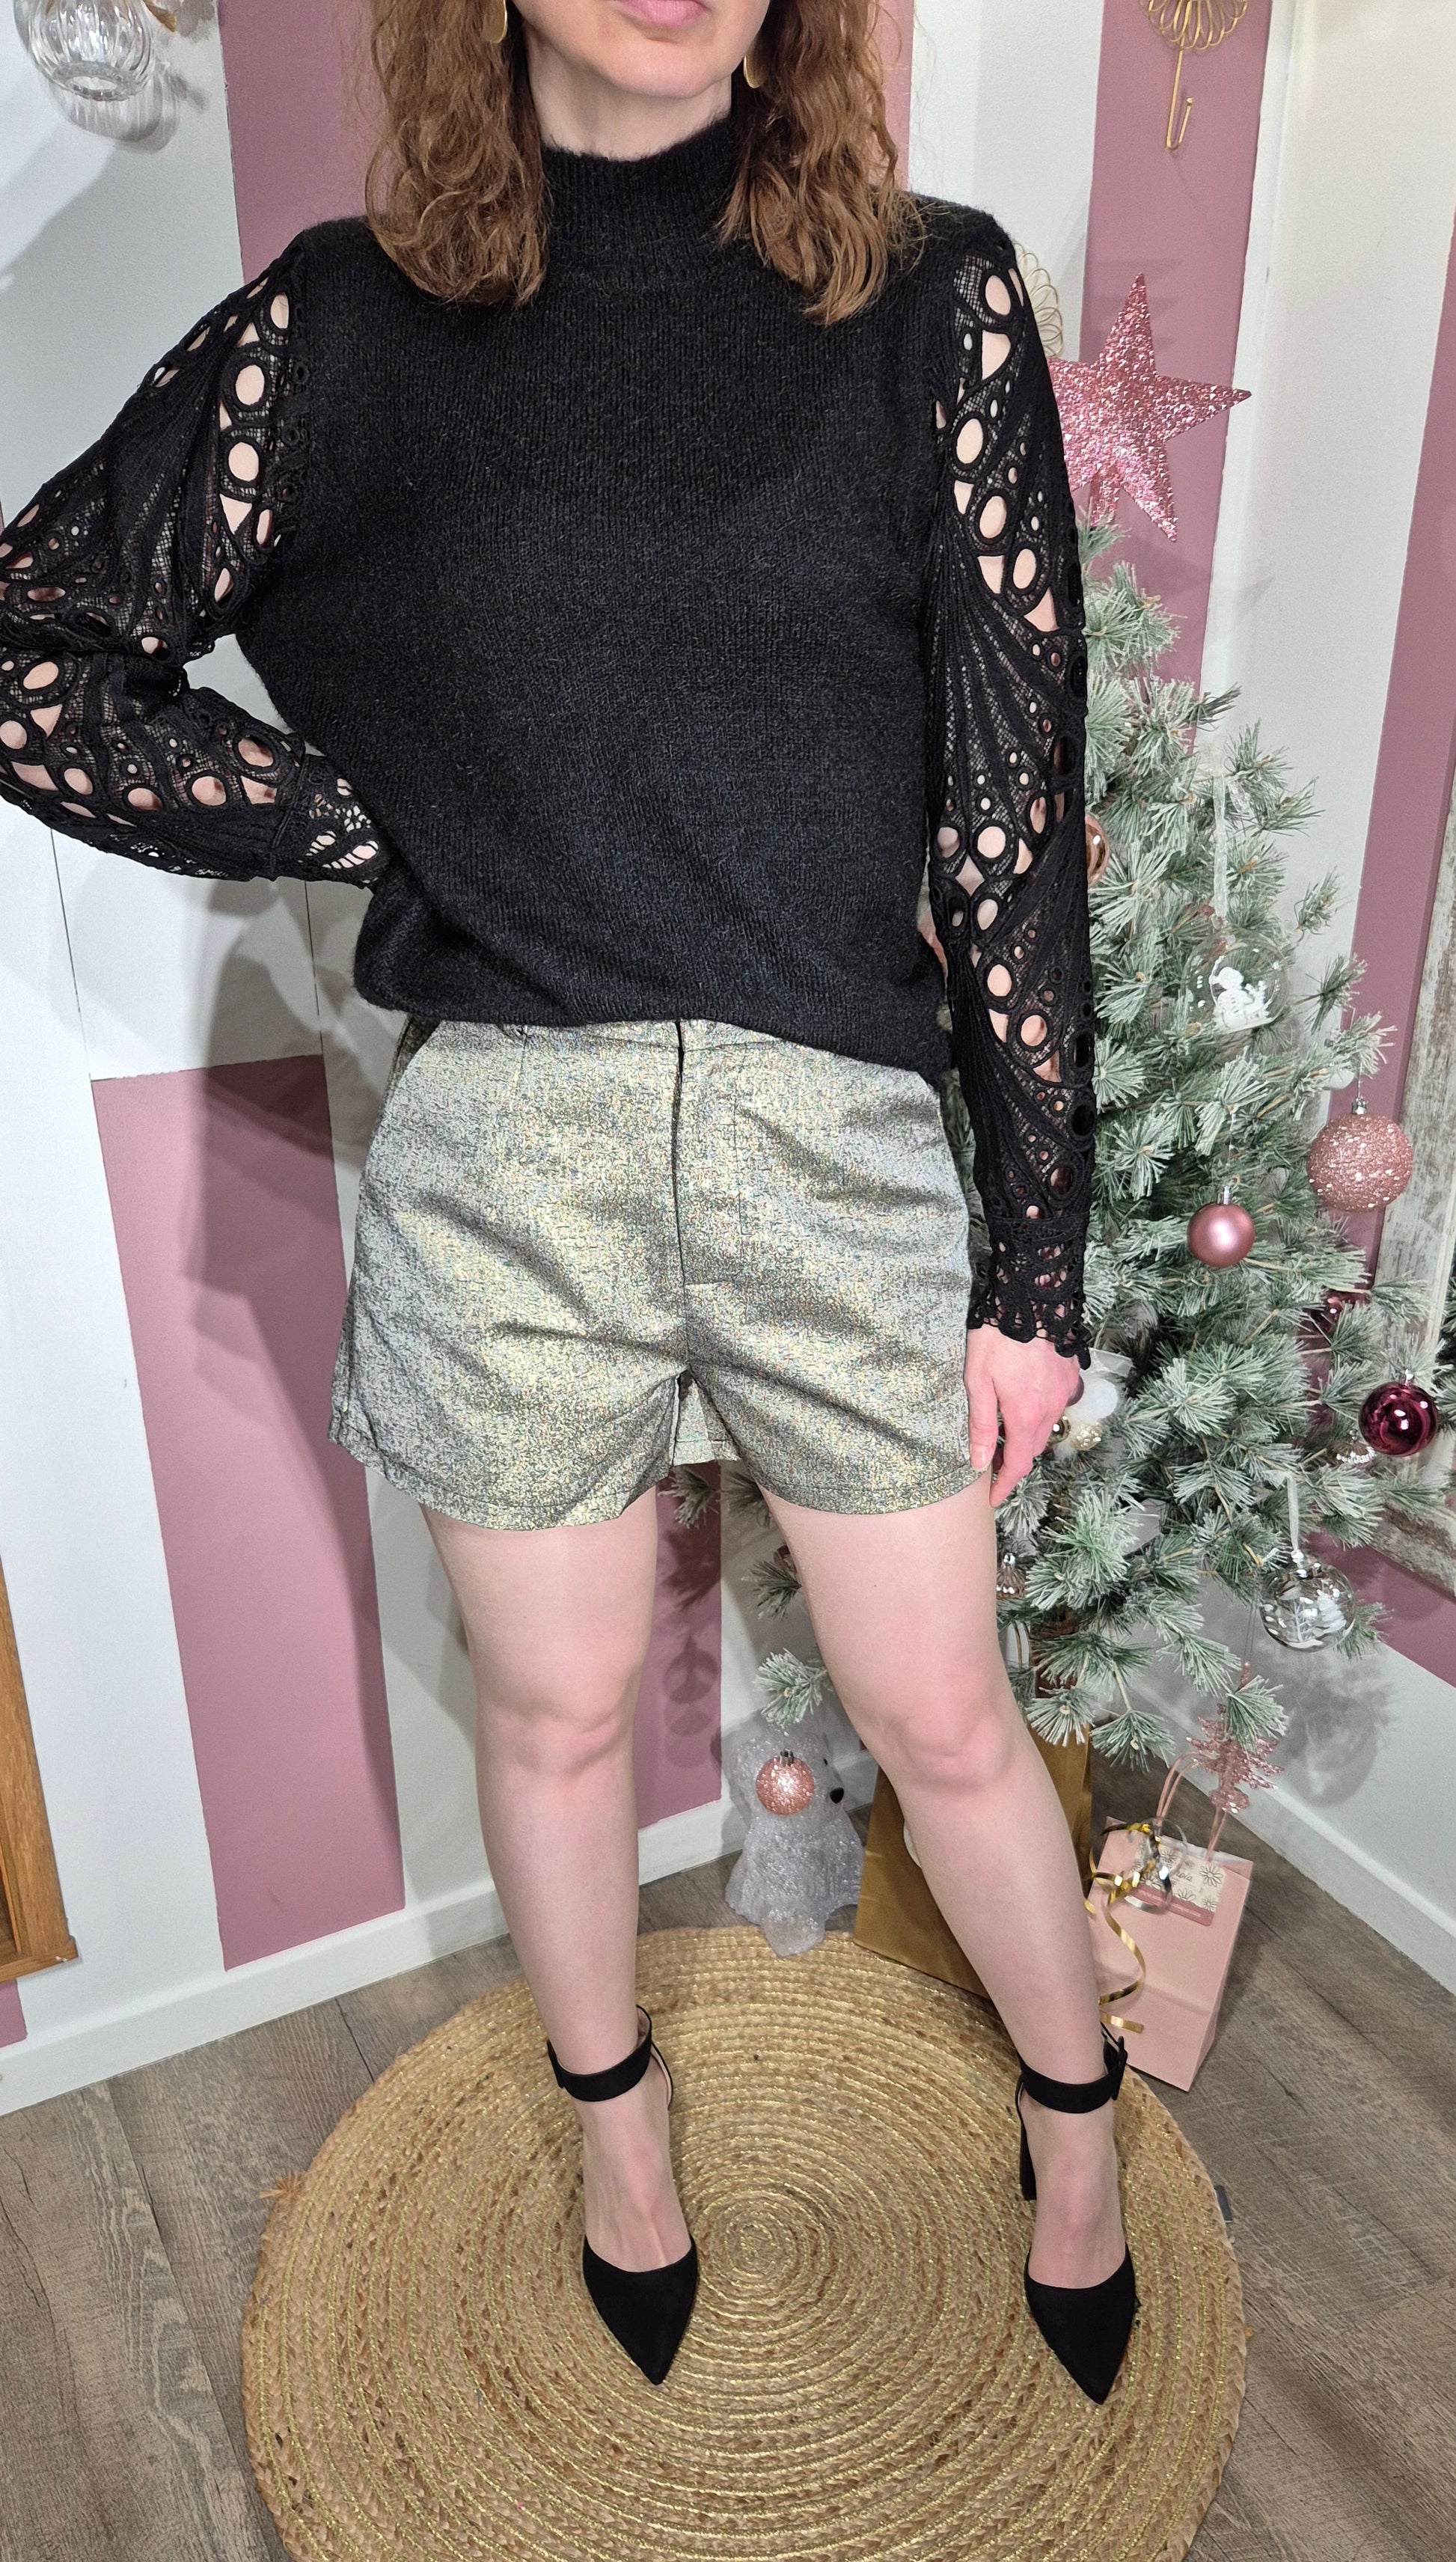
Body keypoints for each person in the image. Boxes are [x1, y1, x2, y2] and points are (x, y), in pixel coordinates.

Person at [0, 0, 1133, 2403]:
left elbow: (1010, 807)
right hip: (505, 1157)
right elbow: (31, 643)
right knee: (551, 1707)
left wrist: (1038, 1264)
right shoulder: (339, 330)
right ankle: (624, 2153)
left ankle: (1078, 2141)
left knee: (945, 1715)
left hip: (837, 1145)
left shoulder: (926, 300)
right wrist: (355, 823)